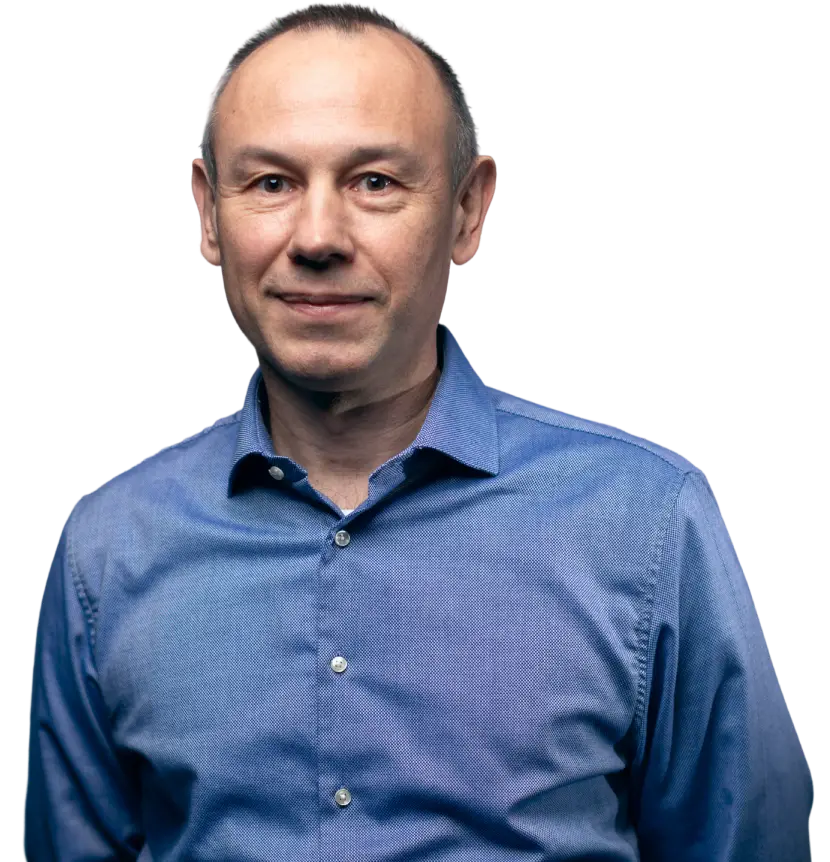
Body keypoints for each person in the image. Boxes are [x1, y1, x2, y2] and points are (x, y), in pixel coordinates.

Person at [22, 3, 813, 860]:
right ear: (208, 214)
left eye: (374, 182)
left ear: (470, 211)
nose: (317, 238)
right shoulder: (109, 550)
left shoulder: (647, 523)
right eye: (272, 183)